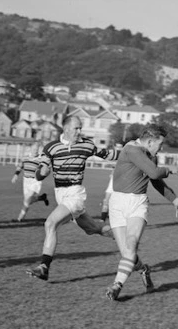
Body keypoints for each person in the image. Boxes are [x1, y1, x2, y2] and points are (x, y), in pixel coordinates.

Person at [27, 116, 119, 281]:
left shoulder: (86, 145)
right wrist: (43, 172)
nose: (79, 131)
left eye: (80, 128)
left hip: (75, 194)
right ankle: (123, 238)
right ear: (66, 128)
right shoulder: (50, 148)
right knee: (94, 228)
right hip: (61, 196)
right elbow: (39, 175)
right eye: (76, 128)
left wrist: (132, 153)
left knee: (50, 223)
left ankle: (44, 267)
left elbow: (107, 154)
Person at [104, 124, 178, 300]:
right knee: (127, 253)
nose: (161, 147)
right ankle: (144, 269)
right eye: (160, 143)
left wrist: (175, 200)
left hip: (138, 203)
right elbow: (156, 173)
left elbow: (156, 182)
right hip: (117, 203)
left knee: (131, 244)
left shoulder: (150, 156)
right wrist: (170, 169)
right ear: (150, 141)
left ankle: (116, 285)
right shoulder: (131, 149)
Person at [11, 142, 50, 222]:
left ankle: (20, 218)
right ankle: (41, 197)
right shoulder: (25, 158)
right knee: (28, 200)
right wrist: (16, 175)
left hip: (35, 181)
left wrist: (44, 172)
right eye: (34, 149)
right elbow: (20, 166)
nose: (35, 151)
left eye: (37, 149)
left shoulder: (40, 159)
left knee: (27, 200)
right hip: (26, 181)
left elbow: (46, 169)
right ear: (30, 149)